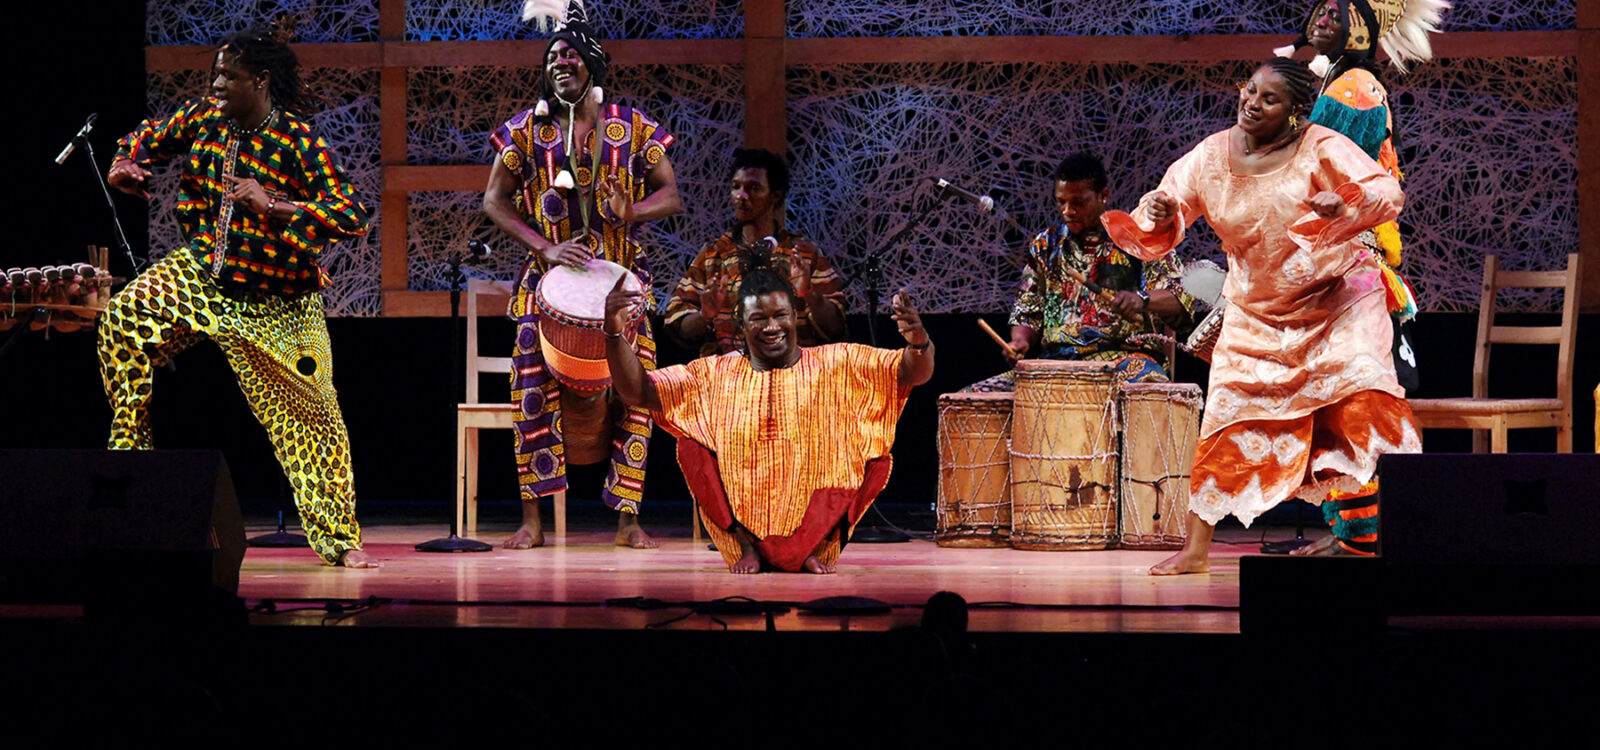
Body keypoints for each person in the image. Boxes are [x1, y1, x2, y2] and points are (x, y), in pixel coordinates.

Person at [1100, 57, 1421, 574]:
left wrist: (1344, 201)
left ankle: (1369, 537)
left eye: (1268, 99)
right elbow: (1169, 202)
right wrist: (1161, 213)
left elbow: (1386, 191)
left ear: (1295, 112)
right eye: (1249, 91)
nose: (1252, 103)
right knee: (1223, 416)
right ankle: (1196, 551)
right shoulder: (1211, 155)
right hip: (1256, 309)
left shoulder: (1320, 145)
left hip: (1336, 299)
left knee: (1358, 402)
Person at [99, 20, 376, 567]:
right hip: (202, 277)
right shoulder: (203, 118)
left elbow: (352, 215)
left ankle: (339, 539)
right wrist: (124, 164)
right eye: (214, 75)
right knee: (122, 318)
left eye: (228, 76)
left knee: (315, 414)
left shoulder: (299, 140)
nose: (217, 85)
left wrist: (273, 204)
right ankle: (131, 472)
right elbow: (143, 139)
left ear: (261, 81)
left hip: (277, 299)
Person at [484, 1, 681, 549]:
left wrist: (632, 212)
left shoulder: (632, 127)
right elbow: (494, 201)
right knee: (530, 392)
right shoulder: (526, 131)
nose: (559, 62)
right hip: (542, 291)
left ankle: (628, 521)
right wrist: (544, 248)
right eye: (552, 56)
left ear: (592, 62)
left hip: (621, 287)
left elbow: (671, 193)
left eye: (570, 54)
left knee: (636, 395)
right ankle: (532, 521)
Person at [604, 266, 935, 573]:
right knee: (692, 448)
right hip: (742, 536)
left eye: (780, 315)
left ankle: (811, 549)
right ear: (743, 324)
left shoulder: (838, 361)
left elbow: (909, 372)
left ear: (794, 315)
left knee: (877, 461)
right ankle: (749, 547)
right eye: (759, 318)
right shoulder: (716, 374)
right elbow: (638, 392)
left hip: (818, 526)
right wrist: (614, 332)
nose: (772, 326)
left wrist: (919, 344)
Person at [1279, 0, 1450, 393]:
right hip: (1339, 255)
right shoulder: (1338, 81)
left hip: (1347, 262)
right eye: (1320, 11)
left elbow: (1323, 175)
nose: (1321, 20)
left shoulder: (1353, 87)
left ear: (1356, 32)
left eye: (1335, 16)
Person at [966, 153, 1195, 391]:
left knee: (1151, 388)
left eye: (1078, 203)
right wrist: (1020, 340)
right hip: (1057, 364)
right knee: (972, 399)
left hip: (1125, 362)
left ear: (1103, 196)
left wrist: (1142, 299)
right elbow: (1027, 311)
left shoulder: (1136, 237)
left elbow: (1180, 298)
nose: (1068, 211)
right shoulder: (1045, 245)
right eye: (1061, 202)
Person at [664, 148, 846, 357]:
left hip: (796, 376)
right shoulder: (714, 254)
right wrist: (705, 314)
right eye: (736, 187)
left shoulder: (803, 254)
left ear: (774, 196)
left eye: (753, 188)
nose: (741, 196)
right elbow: (679, 325)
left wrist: (809, 295)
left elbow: (836, 328)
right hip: (728, 376)